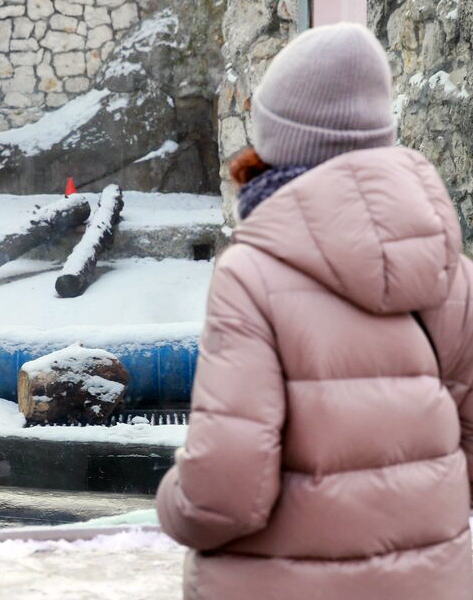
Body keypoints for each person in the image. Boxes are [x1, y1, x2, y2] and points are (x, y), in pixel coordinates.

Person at [155, 22, 473, 599]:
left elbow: (223, 494)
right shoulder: (454, 271)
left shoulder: (251, 275)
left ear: (279, 137)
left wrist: (173, 504)